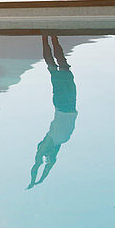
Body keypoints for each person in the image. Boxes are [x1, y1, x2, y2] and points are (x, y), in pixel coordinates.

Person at [28, 35, 78, 187]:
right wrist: (40, 179)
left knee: (54, 68)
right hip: (71, 103)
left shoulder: (51, 140)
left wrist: (34, 179)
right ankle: (53, 38)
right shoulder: (60, 141)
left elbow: (38, 162)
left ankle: (46, 39)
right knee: (62, 66)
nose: (46, 154)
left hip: (63, 105)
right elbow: (48, 165)